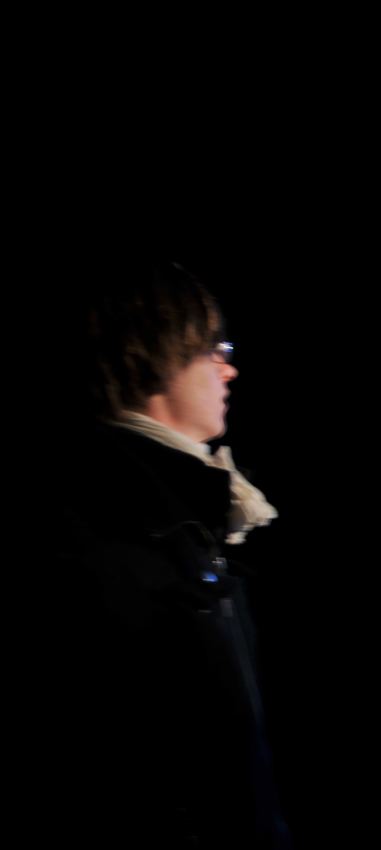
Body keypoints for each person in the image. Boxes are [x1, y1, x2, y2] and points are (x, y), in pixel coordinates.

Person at [46, 264, 289, 847]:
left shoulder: (183, 505)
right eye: (213, 350)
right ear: (154, 353)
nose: (229, 368)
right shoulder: (105, 521)